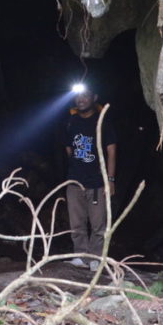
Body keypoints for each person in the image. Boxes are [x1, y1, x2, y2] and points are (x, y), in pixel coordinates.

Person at [64, 82, 116, 271]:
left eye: (86, 96)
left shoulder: (102, 121)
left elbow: (111, 151)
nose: (81, 99)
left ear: (94, 98)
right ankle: (80, 255)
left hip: (97, 183)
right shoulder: (71, 121)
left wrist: (110, 180)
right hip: (75, 181)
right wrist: (77, 168)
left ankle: (95, 258)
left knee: (98, 225)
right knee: (76, 223)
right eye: (79, 96)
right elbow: (69, 148)